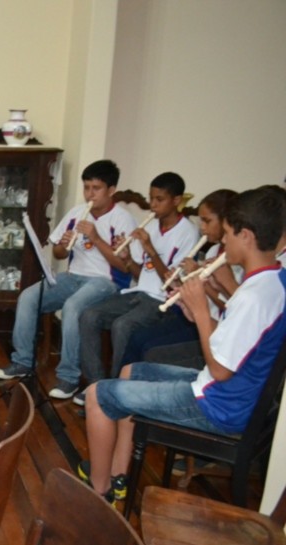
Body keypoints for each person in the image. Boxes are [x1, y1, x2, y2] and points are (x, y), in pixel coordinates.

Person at [77, 185, 286, 503]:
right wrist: (194, 311)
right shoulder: (273, 280)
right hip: (231, 394)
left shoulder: (254, 296)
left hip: (218, 405)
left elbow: (220, 370)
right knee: (130, 371)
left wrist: (201, 312)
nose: (224, 240)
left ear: (246, 235)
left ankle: (98, 490)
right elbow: (234, 341)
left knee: (97, 395)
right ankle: (118, 474)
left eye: (228, 232)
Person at [0, 160, 136, 399]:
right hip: (73, 276)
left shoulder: (122, 219)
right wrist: (65, 244)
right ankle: (23, 361)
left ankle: (69, 378)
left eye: (96, 188)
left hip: (106, 282)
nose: (90, 194)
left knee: (72, 307)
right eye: (86, 187)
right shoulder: (77, 213)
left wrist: (96, 238)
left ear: (111, 190)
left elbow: (125, 267)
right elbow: (58, 253)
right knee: (29, 297)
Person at [75, 172, 200, 405]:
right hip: (139, 292)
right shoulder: (151, 225)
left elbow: (172, 282)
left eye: (159, 199)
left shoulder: (188, 233)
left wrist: (150, 249)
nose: (153, 205)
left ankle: (115, 391)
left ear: (176, 200)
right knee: (89, 315)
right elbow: (140, 274)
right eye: (151, 198)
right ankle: (95, 383)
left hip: (163, 300)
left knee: (123, 325)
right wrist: (127, 258)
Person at [120, 189, 240, 371]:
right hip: (196, 316)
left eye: (207, 221)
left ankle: (134, 382)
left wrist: (204, 282)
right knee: (137, 338)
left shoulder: (235, 261)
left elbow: (231, 308)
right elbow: (199, 292)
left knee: (149, 349)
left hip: (214, 326)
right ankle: (119, 382)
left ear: (226, 221)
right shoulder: (213, 251)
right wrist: (178, 284)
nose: (202, 227)